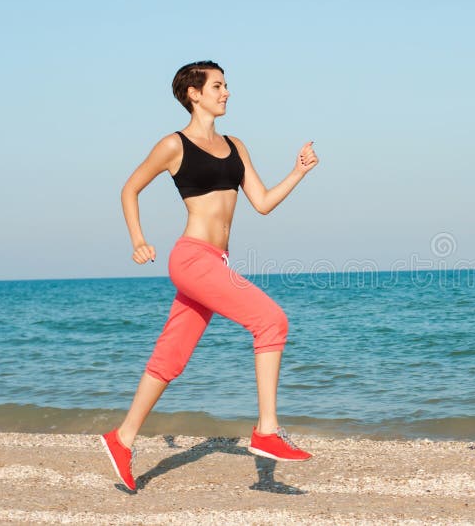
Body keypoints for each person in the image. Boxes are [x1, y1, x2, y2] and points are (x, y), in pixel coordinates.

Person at [100, 60, 319, 491]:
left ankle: (122, 438)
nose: (226, 92)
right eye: (218, 86)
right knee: (271, 321)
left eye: (226, 85)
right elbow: (129, 188)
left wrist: (298, 171)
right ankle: (267, 430)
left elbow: (262, 202)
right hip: (191, 258)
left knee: (171, 357)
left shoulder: (236, 145)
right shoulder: (173, 144)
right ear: (193, 93)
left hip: (215, 263)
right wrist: (138, 239)